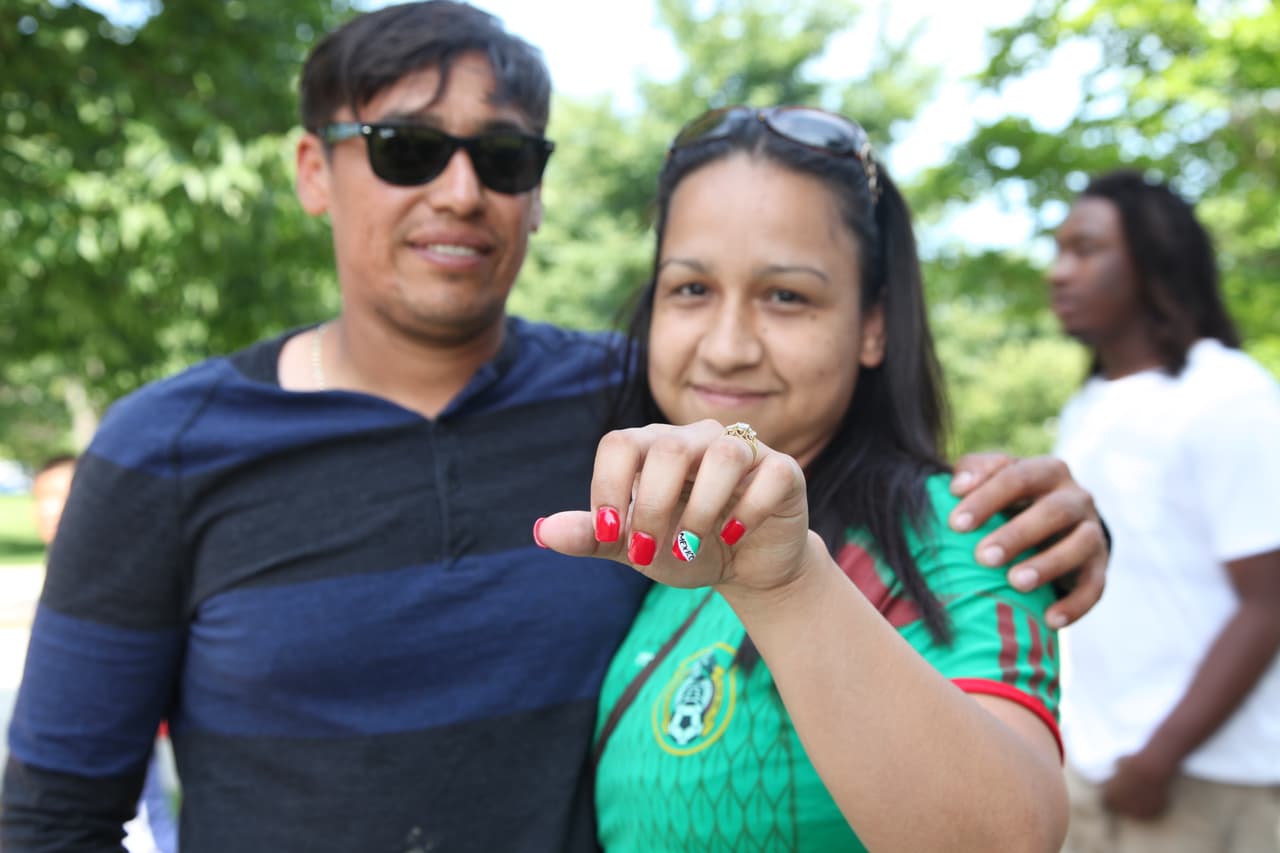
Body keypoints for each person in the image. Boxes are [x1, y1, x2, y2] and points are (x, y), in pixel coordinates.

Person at [2, 4, 1105, 850]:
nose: (457, 189)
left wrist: (1050, 512)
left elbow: (839, 467)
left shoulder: (639, 408)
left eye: (503, 157)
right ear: (312, 170)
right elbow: (53, 817)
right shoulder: (163, 447)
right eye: (403, 147)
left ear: (536, 192)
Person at [536, 105, 1070, 851]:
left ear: (874, 325)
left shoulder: (957, 526)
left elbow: (1010, 838)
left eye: (786, 296)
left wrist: (785, 588)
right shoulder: (655, 534)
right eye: (690, 289)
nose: (725, 348)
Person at [1048, 170, 1280, 852]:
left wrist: (1160, 756)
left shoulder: (1228, 394)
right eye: (1059, 248)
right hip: (1092, 773)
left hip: (1206, 781)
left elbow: (1268, 600)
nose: (1060, 272)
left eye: (1086, 249)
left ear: (1153, 259)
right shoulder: (1088, 408)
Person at [27, 455, 181, 853]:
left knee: (140, 821)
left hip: (111, 729)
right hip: (67, 733)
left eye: (64, 495)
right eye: (42, 497)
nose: (51, 509)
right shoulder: (60, 570)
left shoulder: (119, 574)